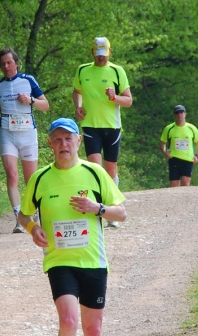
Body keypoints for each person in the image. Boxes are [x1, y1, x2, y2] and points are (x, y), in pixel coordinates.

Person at [18, 118, 126, 336]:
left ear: (78, 142)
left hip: (93, 261)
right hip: (59, 260)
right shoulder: (40, 179)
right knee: (67, 322)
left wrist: (98, 209)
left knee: (93, 329)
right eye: (57, 140)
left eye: (68, 139)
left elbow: (122, 213)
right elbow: (23, 215)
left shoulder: (95, 173)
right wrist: (32, 228)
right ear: (50, 144)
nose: (63, 144)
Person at [0, 47, 49, 233]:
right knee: (12, 175)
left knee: (31, 179)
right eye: (2, 64)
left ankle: (34, 211)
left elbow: (46, 105)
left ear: (16, 63)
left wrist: (30, 100)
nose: (6, 66)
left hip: (28, 133)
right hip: (7, 133)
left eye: (9, 62)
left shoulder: (28, 81)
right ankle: (19, 219)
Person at [72, 37, 132, 227]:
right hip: (90, 125)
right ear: (92, 53)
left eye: (104, 55)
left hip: (112, 126)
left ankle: (113, 207)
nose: (101, 59)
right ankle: (101, 210)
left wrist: (115, 98)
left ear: (110, 52)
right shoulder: (83, 69)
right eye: (98, 56)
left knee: (110, 169)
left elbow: (128, 101)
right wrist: (78, 106)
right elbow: (76, 91)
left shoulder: (117, 71)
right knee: (96, 169)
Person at [158, 105, 198, 187]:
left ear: (185, 114)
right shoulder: (169, 128)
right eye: (177, 113)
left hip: (188, 159)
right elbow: (162, 142)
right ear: (174, 115)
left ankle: (185, 200)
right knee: (174, 185)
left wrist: (197, 155)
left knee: (185, 184)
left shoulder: (191, 128)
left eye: (181, 112)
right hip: (174, 159)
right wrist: (165, 153)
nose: (179, 115)